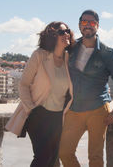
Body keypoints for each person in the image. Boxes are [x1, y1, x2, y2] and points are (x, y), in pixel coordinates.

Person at [59, 9, 113, 167]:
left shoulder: (108, 53)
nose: (87, 25)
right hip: (74, 109)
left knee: (95, 157)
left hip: (98, 109)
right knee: (64, 152)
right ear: (79, 25)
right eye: (84, 22)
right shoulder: (71, 48)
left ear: (97, 26)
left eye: (91, 22)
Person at [5, 21, 75, 167]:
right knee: (43, 157)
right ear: (52, 36)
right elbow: (23, 84)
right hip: (38, 113)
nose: (66, 34)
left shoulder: (68, 58)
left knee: (53, 157)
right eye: (62, 32)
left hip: (58, 117)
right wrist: (32, 109)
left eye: (67, 31)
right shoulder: (39, 56)